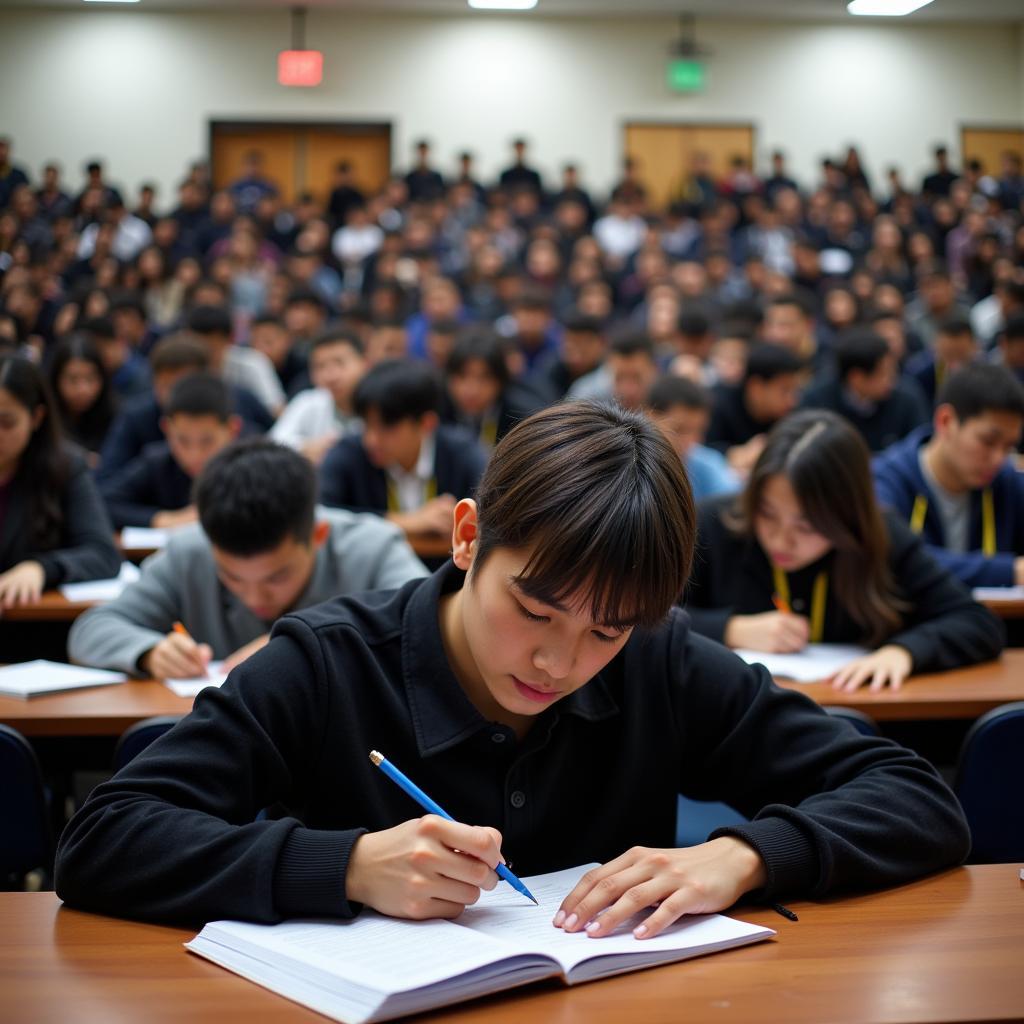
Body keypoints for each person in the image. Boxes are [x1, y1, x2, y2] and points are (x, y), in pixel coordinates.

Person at [55, 401, 971, 933]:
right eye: (533, 607)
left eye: (606, 630)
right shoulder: (328, 663)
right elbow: (102, 840)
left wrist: (743, 857)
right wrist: (340, 867)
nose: (558, 661)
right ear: (467, 537)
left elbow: (913, 795)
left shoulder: (655, 664)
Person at [685, 409, 1003, 691]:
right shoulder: (716, 524)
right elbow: (647, 618)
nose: (781, 540)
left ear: (846, 516)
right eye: (767, 514)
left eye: (807, 527)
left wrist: (905, 651)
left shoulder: (881, 538)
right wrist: (730, 628)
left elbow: (976, 621)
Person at [70, 439, 427, 678]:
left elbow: (427, 633)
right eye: (233, 578)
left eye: (276, 578)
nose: (255, 598)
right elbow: (91, 629)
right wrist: (149, 652)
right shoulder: (189, 551)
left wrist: (302, 647)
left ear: (317, 536)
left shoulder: (372, 548)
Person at [873, 363, 1024, 587]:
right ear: (946, 421)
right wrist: (1009, 572)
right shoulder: (885, 481)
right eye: (988, 441)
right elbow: (893, 559)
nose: (998, 458)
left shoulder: (1007, 481)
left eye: (1009, 447)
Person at [0, 356, 120, 630]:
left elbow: (103, 555)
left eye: (6, 423)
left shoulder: (66, 467)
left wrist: (42, 568)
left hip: (33, 634)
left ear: (36, 417)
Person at [319, 360, 487, 540]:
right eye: (367, 424)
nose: (371, 440)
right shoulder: (348, 451)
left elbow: (495, 517)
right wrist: (404, 522)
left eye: (387, 427)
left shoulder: (463, 453)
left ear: (426, 423)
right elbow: (319, 516)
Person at [97, 333, 272, 481]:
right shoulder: (137, 418)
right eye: (165, 385)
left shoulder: (236, 401)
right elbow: (107, 479)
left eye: (184, 383)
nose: (175, 393)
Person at [100, 373, 241, 530]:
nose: (194, 455)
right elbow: (103, 502)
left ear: (232, 430)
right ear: (166, 429)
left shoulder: (251, 467)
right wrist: (163, 519)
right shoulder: (158, 463)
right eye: (182, 441)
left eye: (207, 441)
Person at [801, 330, 929, 452]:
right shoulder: (817, 401)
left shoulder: (906, 396)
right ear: (856, 378)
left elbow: (921, 444)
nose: (892, 381)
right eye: (883, 374)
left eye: (893, 371)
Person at [270, 328, 367, 464]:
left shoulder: (379, 402)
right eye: (320, 366)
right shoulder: (308, 402)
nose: (331, 376)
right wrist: (306, 448)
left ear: (364, 363)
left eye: (340, 363)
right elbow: (273, 443)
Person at [706, 344, 805, 476]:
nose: (793, 399)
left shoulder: (790, 413)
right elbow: (701, 450)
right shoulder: (716, 405)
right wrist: (734, 454)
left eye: (795, 389)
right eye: (784, 390)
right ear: (756, 387)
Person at [441, 328, 541, 450]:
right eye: (462, 376)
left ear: (500, 380)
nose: (472, 390)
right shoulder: (435, 412)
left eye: (484, 378)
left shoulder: (522, 419)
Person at [647, 375, 740, 501]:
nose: (691, 441)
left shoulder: (705, 464)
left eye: (700, 430)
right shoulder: (629, 463)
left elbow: (733, 497)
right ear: (650, 418)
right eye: (680, 429)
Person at [187, 304, 285, 417]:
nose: (203, 354)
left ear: (229, 340)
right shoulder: (183, 366)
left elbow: (277, 410)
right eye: (196, 347)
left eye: (211, 347)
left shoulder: (253, 362)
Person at [47, 333, 117, 461]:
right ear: (56, 380)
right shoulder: (45, 414)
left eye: (90, 379)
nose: (83, 389)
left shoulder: (116, 412)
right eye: (73, 380)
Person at [905, 316, 978, 408]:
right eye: (948, 355)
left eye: (960, 355)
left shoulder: (985, 376)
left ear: (975, 347)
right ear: (935, 348)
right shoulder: (918, 376)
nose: (955, 364)